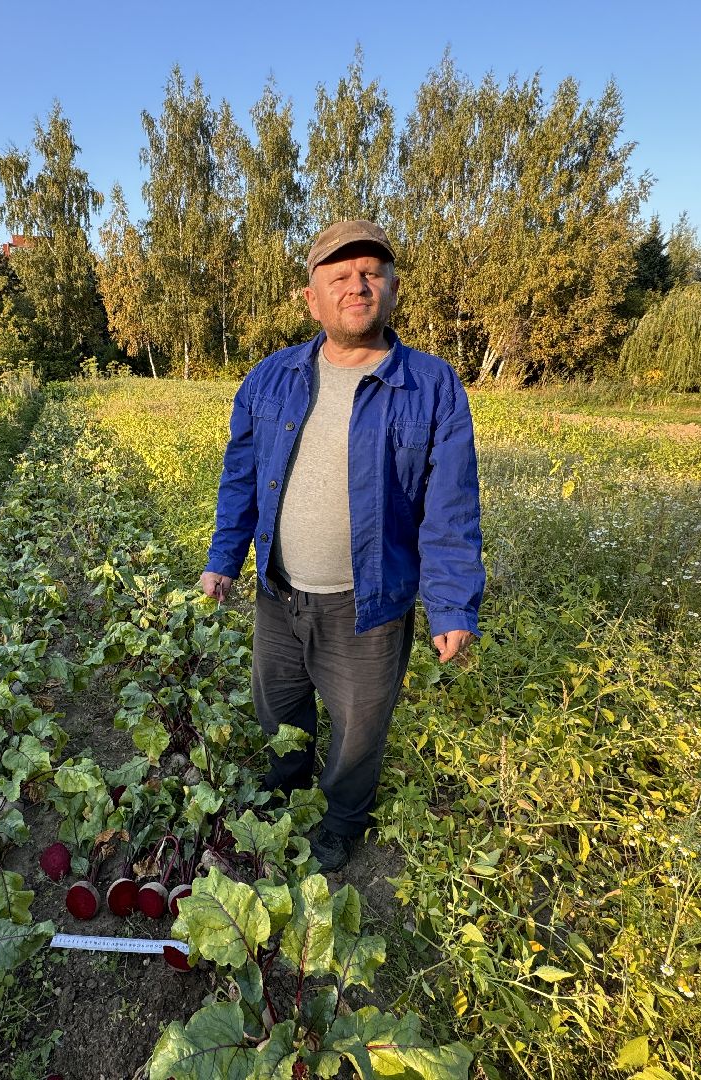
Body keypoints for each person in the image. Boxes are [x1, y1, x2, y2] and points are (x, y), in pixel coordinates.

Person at [199, 219, 485, 871]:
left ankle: (341, 818)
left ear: (391, 289)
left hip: (368, 604)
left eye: (371, 274)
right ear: (312, 299)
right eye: (340, 277)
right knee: (279, 707)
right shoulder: (270, 379)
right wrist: (223, 557)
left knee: (359, 728)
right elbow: (241, 475)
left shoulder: (432, 386)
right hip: (278, 594)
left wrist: (451, 605)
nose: (357, 286)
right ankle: (285, 788)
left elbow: (451, 506)